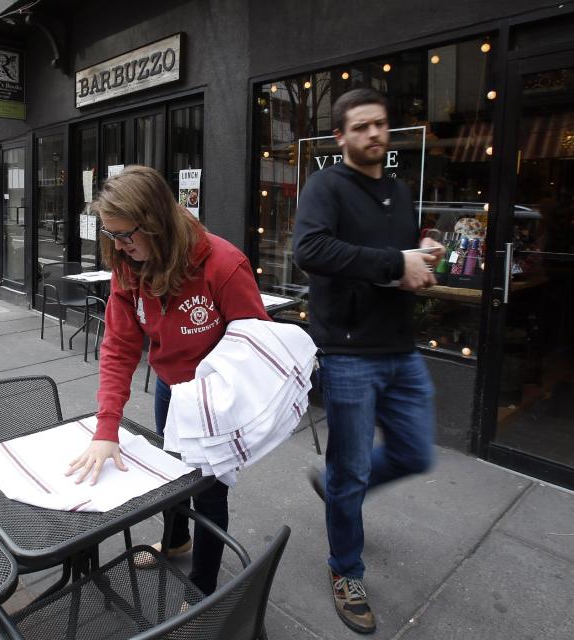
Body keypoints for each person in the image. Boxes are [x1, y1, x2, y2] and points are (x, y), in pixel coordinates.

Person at [66, 165, 270, 596]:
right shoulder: (128, 266)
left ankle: (202, 589)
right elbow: (119, 348)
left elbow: (258, 346)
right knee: (171, 476)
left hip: (216, 401)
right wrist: (107, 429)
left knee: (210, 496)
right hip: (169, 388)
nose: (119, 248)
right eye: (111, 236)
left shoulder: (224, 265)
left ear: (156, 224)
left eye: (126, 236)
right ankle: (177, 540)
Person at [293, 88, 444, 635]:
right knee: (351, 470)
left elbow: (400, 251)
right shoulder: (325, 186)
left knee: (414, 454)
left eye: (380, 125)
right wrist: (393, 262)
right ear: (340, 136)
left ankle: (337, 488)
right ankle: (345, 571)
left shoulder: (400, 192)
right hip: (349, 352)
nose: (374, 134)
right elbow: (309, 251)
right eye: (361, 127)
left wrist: (421, 250)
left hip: (400, 349)